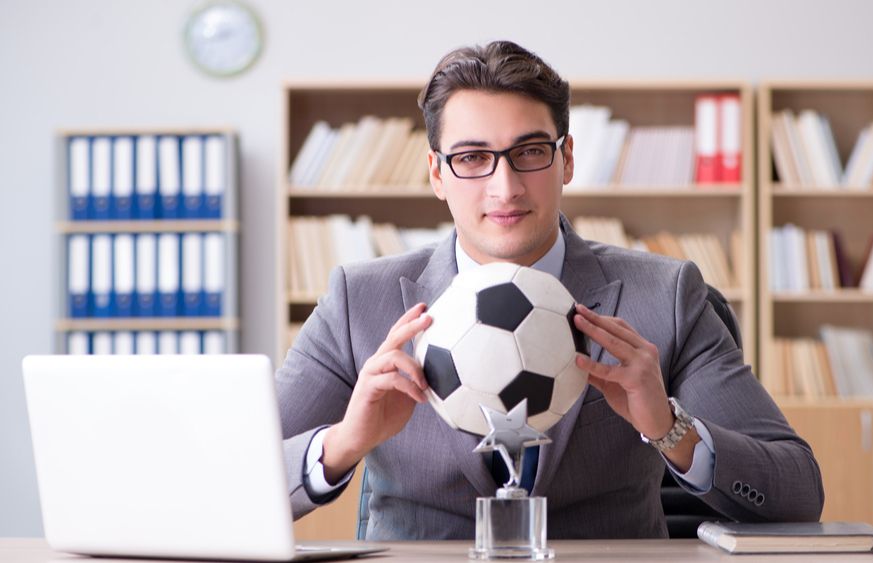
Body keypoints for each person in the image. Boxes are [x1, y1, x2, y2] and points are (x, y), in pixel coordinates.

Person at [276, 40, 823, 540]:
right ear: (437, 175)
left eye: (531, 151)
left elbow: (799, 495)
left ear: (566, 159)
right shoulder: (359, 302)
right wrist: (342, 443)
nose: (505, 187)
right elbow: (226, 482)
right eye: (471, 158)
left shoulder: (665, 295)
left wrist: (669, 427)